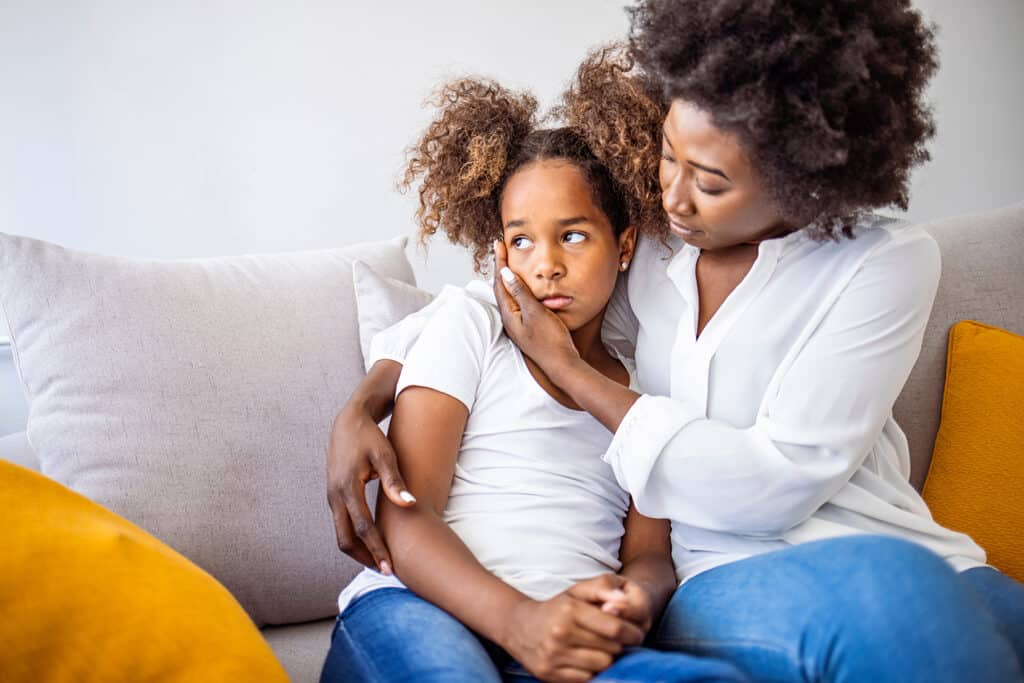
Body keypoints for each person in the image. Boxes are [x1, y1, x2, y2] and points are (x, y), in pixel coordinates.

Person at [328, 2, 1024, 681]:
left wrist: (573, 377)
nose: (675, 198)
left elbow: (771, 482)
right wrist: (365, 401)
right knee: (898, 597)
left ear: (803, 176)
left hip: (886, 542)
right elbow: (507, 299)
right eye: (667, 157)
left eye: (711, 182)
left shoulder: (882, 260)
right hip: (727, 569)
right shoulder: (659, 255)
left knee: (968, 610)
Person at [320, 51, 749, 683]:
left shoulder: (649, 383)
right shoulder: (470, 326)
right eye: (522, 240)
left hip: (565, 631)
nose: (545, 264)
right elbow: (406, 520)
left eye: (573, 235)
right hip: (420, 605)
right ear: (498, 254)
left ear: (624, 245)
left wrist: (637, 598)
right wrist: (523, 622)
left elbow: (649, 555)